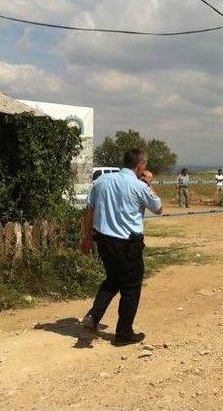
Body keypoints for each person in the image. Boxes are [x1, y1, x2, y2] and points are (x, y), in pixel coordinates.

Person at [80, 148, 163, 346]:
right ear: (141, 166)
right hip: (128, 245)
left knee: (113, 279)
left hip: (104, 241)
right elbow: (158, 208)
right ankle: (124, 333)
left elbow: (89, 211)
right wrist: (148, 183)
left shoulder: (101, 181)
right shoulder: (139, 186)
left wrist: (86, 238)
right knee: (131, 288)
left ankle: (93, 316)